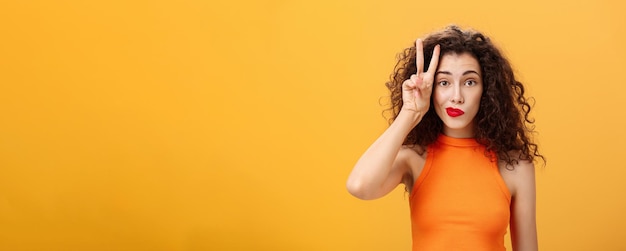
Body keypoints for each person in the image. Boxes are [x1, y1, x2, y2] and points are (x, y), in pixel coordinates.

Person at [346, 25, 544, 251]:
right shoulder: (414, 158)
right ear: (432, 89)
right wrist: (411, 112)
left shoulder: (515, 165)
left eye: (469, 82)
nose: (457, 97)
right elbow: (359, 186)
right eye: (444, 83)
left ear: (487, 89)